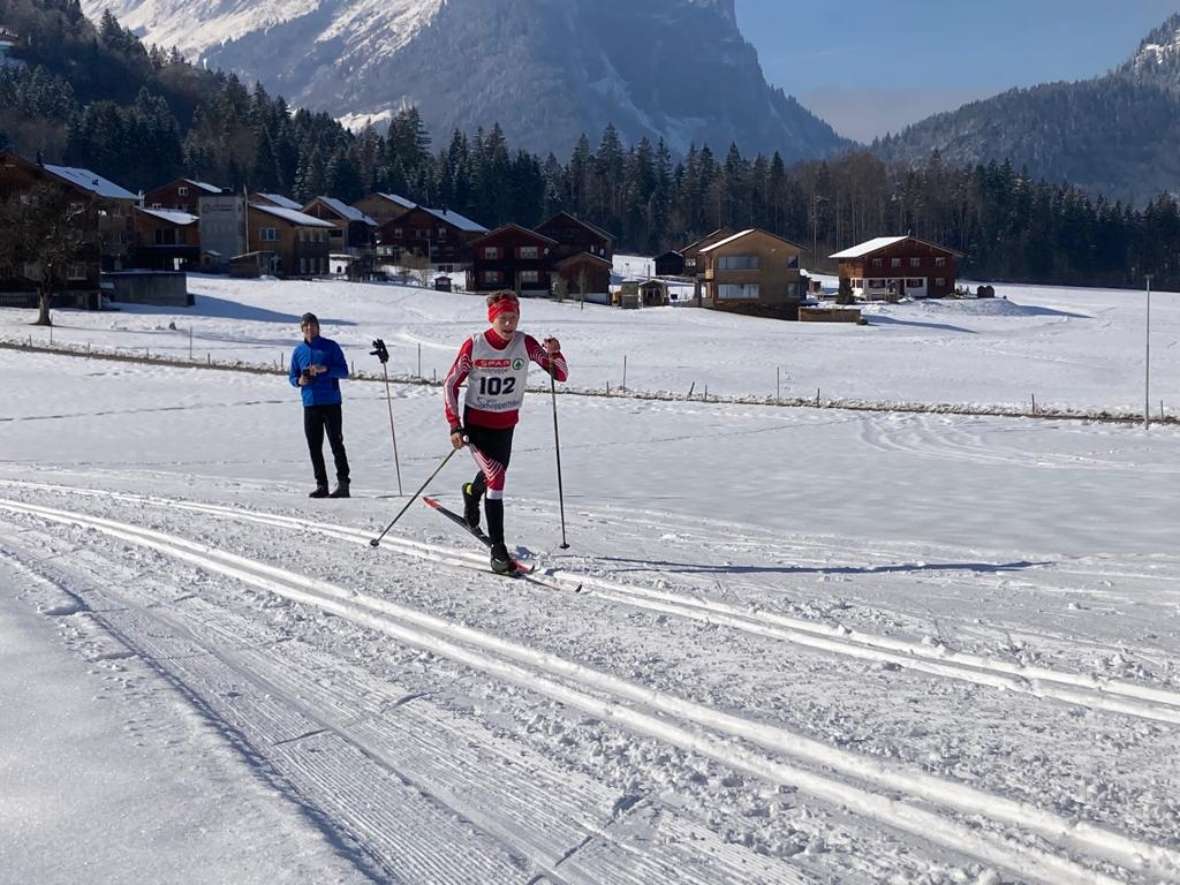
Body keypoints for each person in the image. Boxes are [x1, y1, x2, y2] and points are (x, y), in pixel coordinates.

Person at [443, 291, 568, 573]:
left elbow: (560, 374)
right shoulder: (474, 345)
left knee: (492, 476)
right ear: (492, 318)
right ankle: (498, 550)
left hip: (506, 424)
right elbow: (450, 384)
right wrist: (454, 424)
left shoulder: (525, 343)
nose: (509, 324)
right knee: (496, 476)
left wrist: (554, 353)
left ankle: (471, 493)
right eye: (503, 318)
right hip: (476, 425)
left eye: (513, 317)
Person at [289, 312, 352, 498]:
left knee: (336, 443)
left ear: (318, 327)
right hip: (310, 403)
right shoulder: (298, 351)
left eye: (312, 325)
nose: (309, 329)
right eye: (306, 326)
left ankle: (343, 484)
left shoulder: (330, 347)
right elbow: (292, 377)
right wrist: (299, 380)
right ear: (302, 329)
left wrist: (326, 369)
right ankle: (321, 485)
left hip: (331, 402)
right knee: (314, 446)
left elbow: (344, 372)